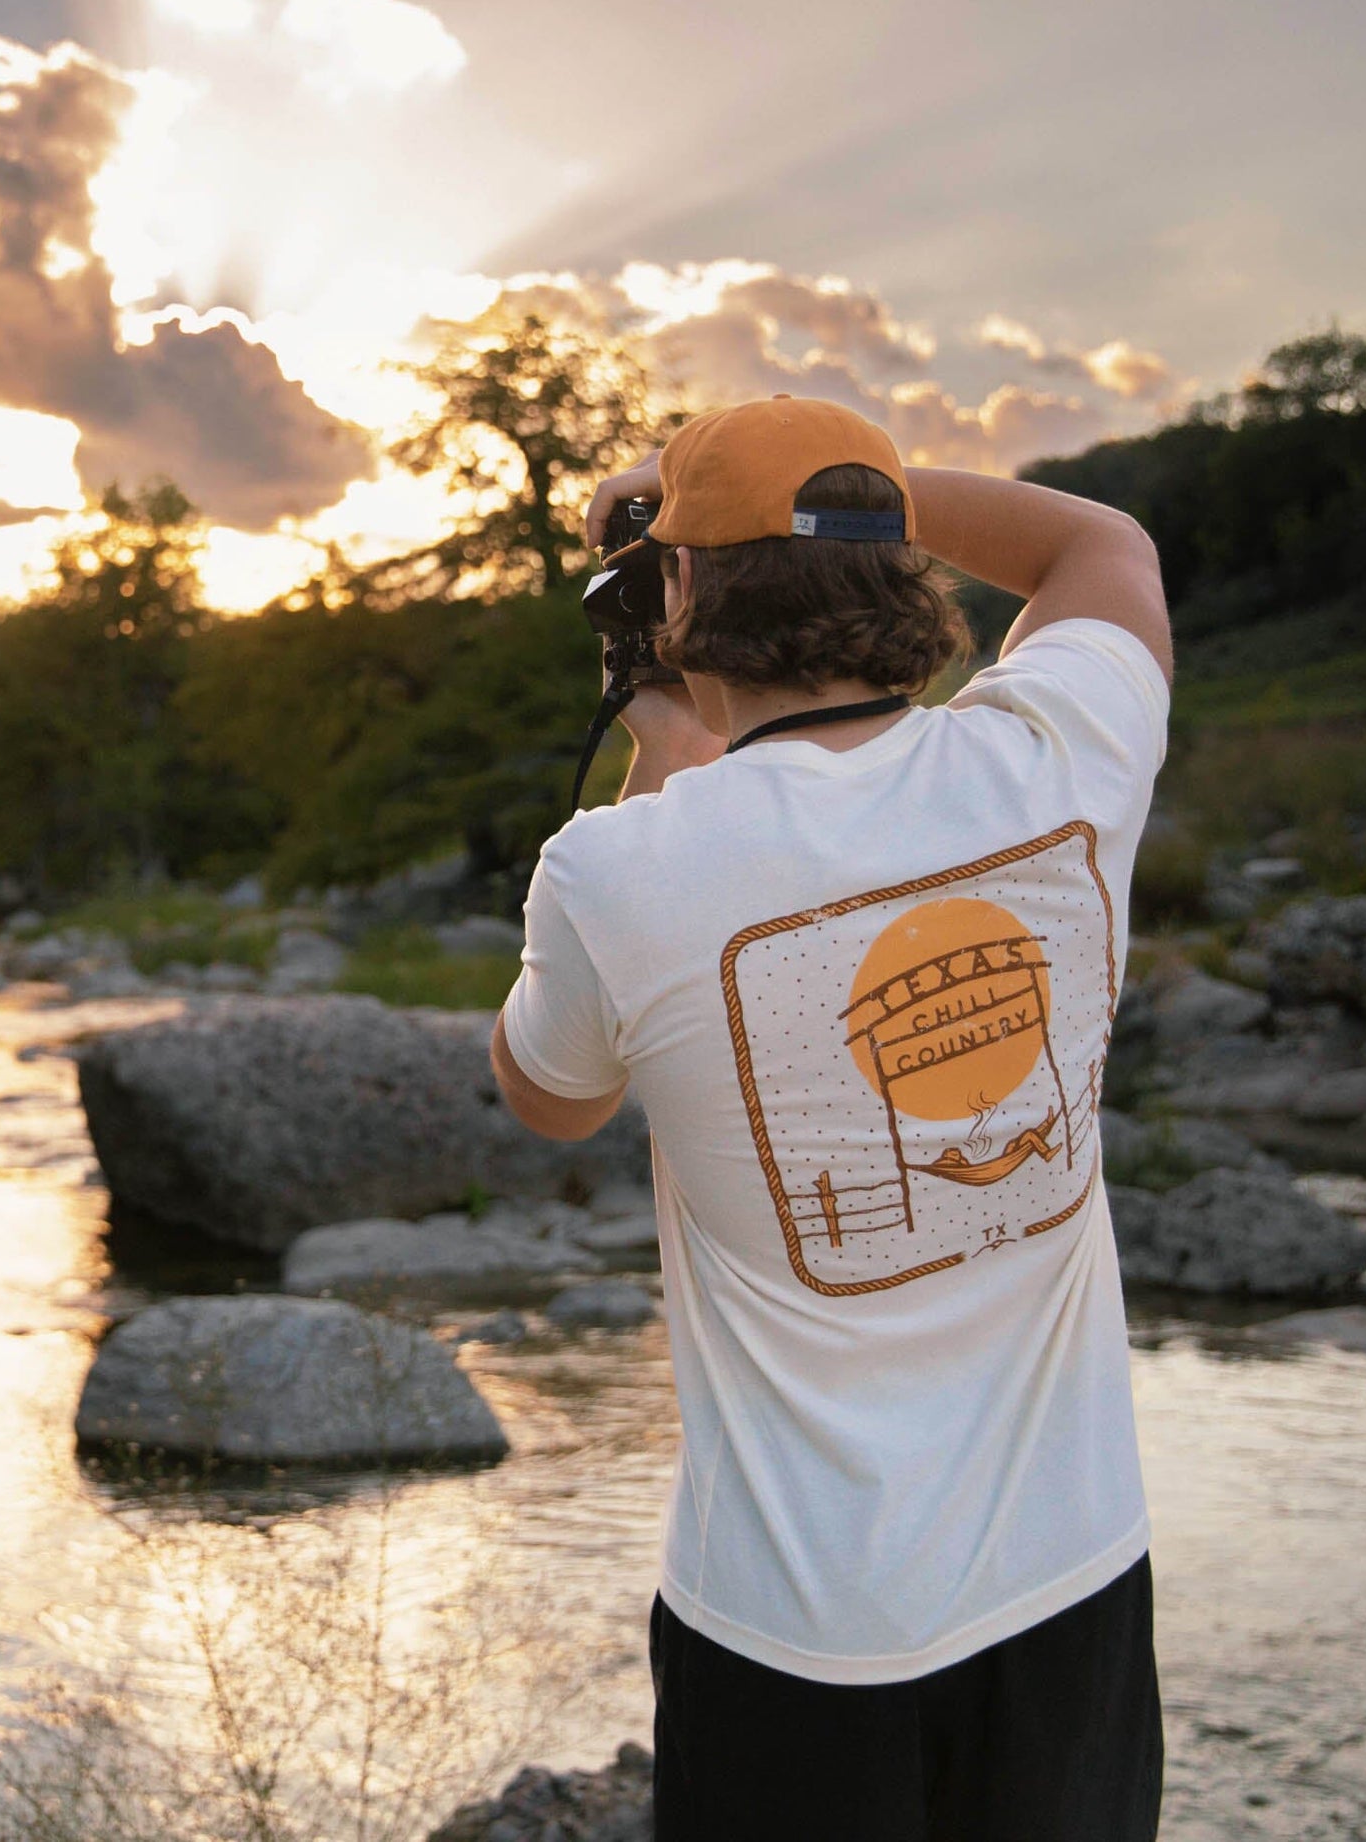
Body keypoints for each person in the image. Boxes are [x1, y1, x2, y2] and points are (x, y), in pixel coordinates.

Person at [490, 396, 1172, 1841]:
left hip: (793, 1628)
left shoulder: (615, 871)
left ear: (676, 599)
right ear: (898, 566)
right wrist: (834, 490)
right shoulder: (1055, 753)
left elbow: (551, 1098)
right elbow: (1092, 542)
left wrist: (662, 742)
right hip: (1074, 1582)